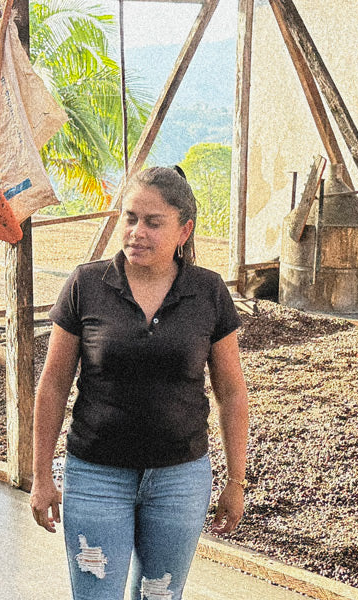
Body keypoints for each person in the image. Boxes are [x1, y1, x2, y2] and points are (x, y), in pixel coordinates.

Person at [29, 166, 249, 600]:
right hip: (95, 477)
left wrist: (236, 481)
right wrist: (40, 476)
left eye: (153, 222)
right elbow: (53, 384)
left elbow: (231, 392)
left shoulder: (208, 292)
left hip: (179, 480)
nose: (136, 232)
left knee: (160, 595)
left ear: (183, 230)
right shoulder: (86, 285)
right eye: (130, 218)